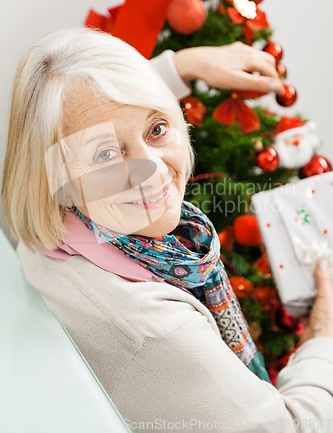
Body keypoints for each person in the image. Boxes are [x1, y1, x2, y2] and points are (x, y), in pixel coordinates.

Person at [2, 28, 333, 432]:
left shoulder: (51, 222)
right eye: (106, 155)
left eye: (157, 129)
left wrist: (183, 66)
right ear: (58, 175)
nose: (153, 171)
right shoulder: (154, 329)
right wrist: (322, 337)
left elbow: (94, 119)